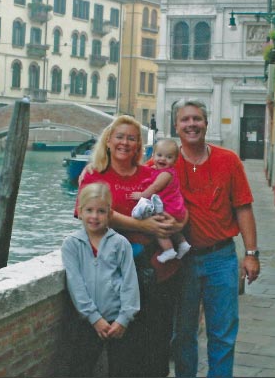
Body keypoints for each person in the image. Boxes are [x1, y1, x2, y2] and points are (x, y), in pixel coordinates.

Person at [76, 115, 185, 377]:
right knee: (122, 348)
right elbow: (96, 213)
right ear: (109, 141)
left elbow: (178, 207)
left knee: (157, 344)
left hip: (157, 272)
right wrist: (143, 226)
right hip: (114, 275)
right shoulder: (94, 175)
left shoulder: (152, 175)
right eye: (120, 137)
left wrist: (176, 222)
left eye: (132, 138)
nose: (125, 142)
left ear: (138, 146)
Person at [171, 98, 261, 378]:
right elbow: (134, 184)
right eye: (185, 120)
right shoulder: (165, 162)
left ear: (206, 124)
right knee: (182, 333)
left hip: (221, 258)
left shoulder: (228, 160)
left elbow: (243, 206)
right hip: (182, 260)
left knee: (222, 333)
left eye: (196, 119)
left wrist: (251, 254)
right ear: (176, 127)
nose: (191, 124)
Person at [62, 182, 140, 377]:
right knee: (79, 370)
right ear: (80, 212)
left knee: (121, 371)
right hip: (87, 322)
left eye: (101, 211)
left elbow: (130, 282)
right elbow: (76, 284)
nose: (94, 217)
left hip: (119, 322)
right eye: (89, 210)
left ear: (109, 213)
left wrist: (124, 319)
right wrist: (94, 318)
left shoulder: (120, 244)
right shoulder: (72, 244)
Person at [130, 138, 192, 263]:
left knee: (159, 228)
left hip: (168, 206)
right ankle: (182, 243)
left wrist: (142, 195)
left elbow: (155, 187)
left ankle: (168, 250)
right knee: (170, 228)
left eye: (168, 157)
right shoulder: (161, 170)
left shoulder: (165, 174)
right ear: (153, 155)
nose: (162, 159)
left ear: (175, 160)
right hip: (175, 207)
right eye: (159, 155)